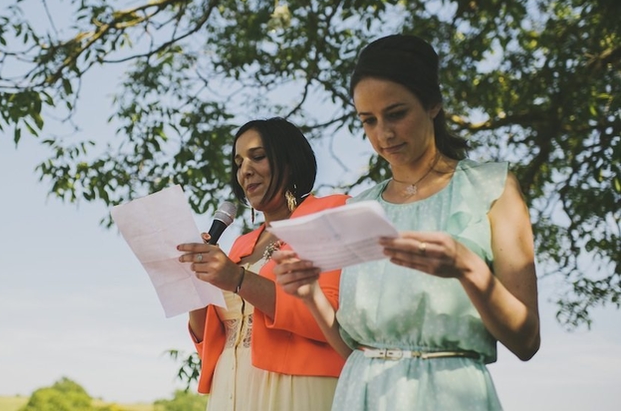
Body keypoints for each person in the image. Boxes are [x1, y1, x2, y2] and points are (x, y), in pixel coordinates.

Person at [273, 35, 541, 410]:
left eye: (396, 113)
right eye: (369, 120)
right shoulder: (360, 208)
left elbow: (527, 341)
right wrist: (310, 294)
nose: (383, 134)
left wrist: (469, 268)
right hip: (361, 395)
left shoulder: (491, 188)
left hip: (451, 397)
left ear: (433, 104)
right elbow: (355, 349)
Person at [177, 117, 349, 411]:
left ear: (290, 160)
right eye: (238, 162)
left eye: (257, 157)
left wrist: (239, 280)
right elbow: (211, 338)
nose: (245, 171)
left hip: (296, 389)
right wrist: (195, 284)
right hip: (230, 387)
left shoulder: (330, 213)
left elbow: (337, 323)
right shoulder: (241, 245)